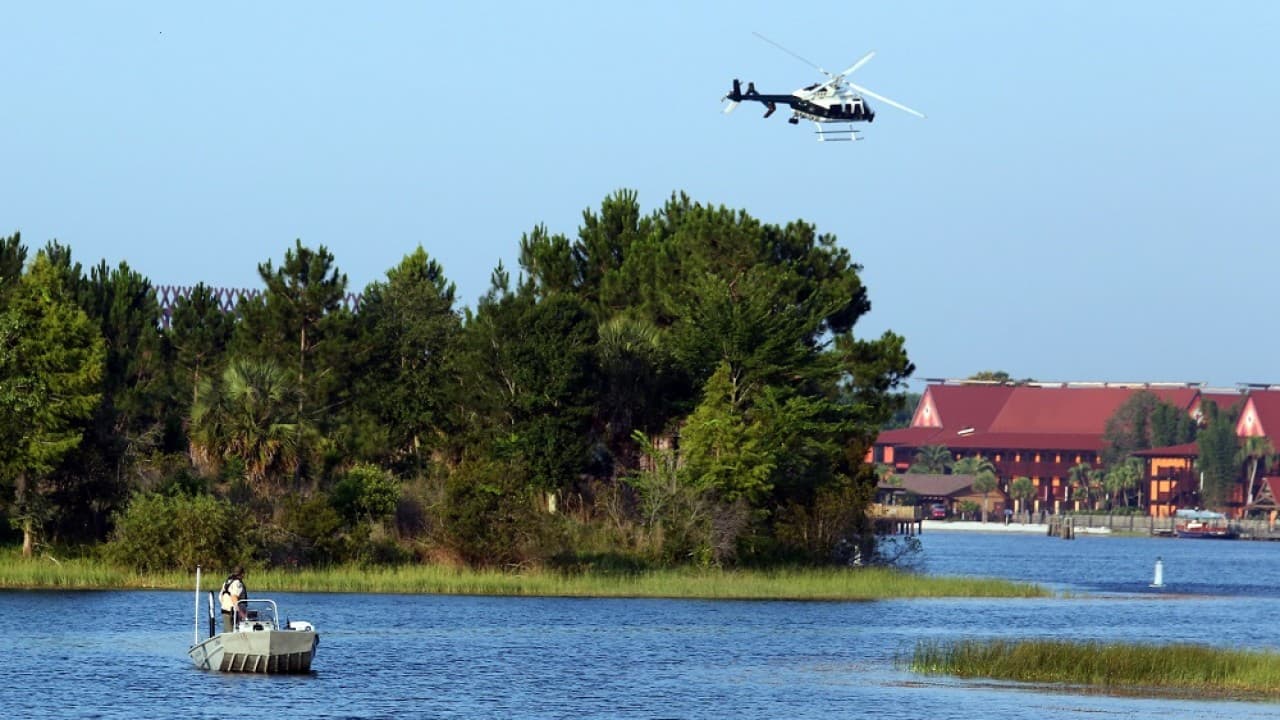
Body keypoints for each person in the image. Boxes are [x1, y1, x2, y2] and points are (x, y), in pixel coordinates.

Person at [219, 566, 248, 633]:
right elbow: (234, 597)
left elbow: (221, 597)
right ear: (242, 574)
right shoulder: (238, 583)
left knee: (227, 631)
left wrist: (226, 605)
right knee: (231, 632)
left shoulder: (227, 582)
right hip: (232, 613)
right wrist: (241, 613)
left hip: (225, 611)